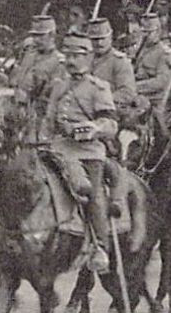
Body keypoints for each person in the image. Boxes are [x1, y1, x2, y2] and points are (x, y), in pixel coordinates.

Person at [42, 33, 120, 273]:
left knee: (93, 193)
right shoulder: (58, 86)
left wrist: (94, 129)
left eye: (77, 55)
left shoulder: (99, 88)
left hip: (88, 151)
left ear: (89, 57)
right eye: (68, 55)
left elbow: (111, 124)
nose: (71, 60)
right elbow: (49, 118)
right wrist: (43, 138)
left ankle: (100, 246)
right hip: (59, 148)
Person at [11, 11, 64, 117]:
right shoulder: (29, 54)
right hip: (17, 111)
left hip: (38, 115)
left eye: (40, 36)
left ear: (52, 35)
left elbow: (52, 97)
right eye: (34, 36)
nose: (36, 40)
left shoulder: (59, 62)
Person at [130, 6, 171, 116]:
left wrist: (135, 86)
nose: (145, 35)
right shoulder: (141, 48)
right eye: (144, 32)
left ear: (158, 31)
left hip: (154, 97)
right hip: (137, 91)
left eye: (150, 32)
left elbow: (161, 82)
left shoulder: (163, 52)